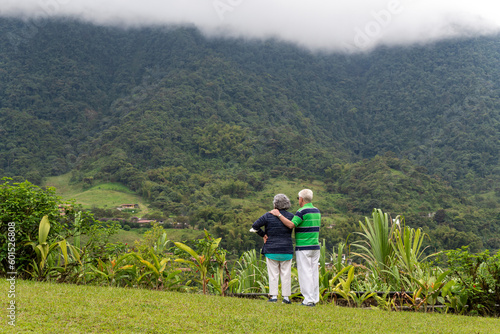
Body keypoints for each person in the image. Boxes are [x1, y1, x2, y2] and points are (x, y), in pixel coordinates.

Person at [270, 189, 321, 306]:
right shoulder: (317, 211)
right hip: (315, 246)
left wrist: (279, 215)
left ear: (301, 199)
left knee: (305, 273)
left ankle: (308, 300)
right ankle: (314, 298)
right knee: (313, 273)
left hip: (304, 247)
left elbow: (291, 225)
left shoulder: (301, 211)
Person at [250, 194, 295, 304]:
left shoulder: (268, 216)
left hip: (271, 249)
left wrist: (263, 234)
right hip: (286, 250)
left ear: (275, 204)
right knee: (286, 274)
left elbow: (255, 226)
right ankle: (286, 298)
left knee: (273, 274)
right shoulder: (291, 216)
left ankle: (274, 296)